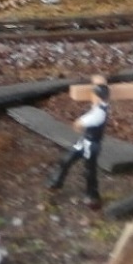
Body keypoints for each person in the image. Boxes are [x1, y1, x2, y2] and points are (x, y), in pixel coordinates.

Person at [48, 77, 110, 207]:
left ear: (98, 98)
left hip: (92, 144)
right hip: (85, 140)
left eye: (93, 95)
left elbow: (78, 124)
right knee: (67, 158)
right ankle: (56, 181)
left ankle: (92, 195)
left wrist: (78, 124)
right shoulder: (100, 105)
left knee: (89, 171)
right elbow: (100, 82)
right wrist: (98, 81)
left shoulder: (98, 114)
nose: (91, 97)